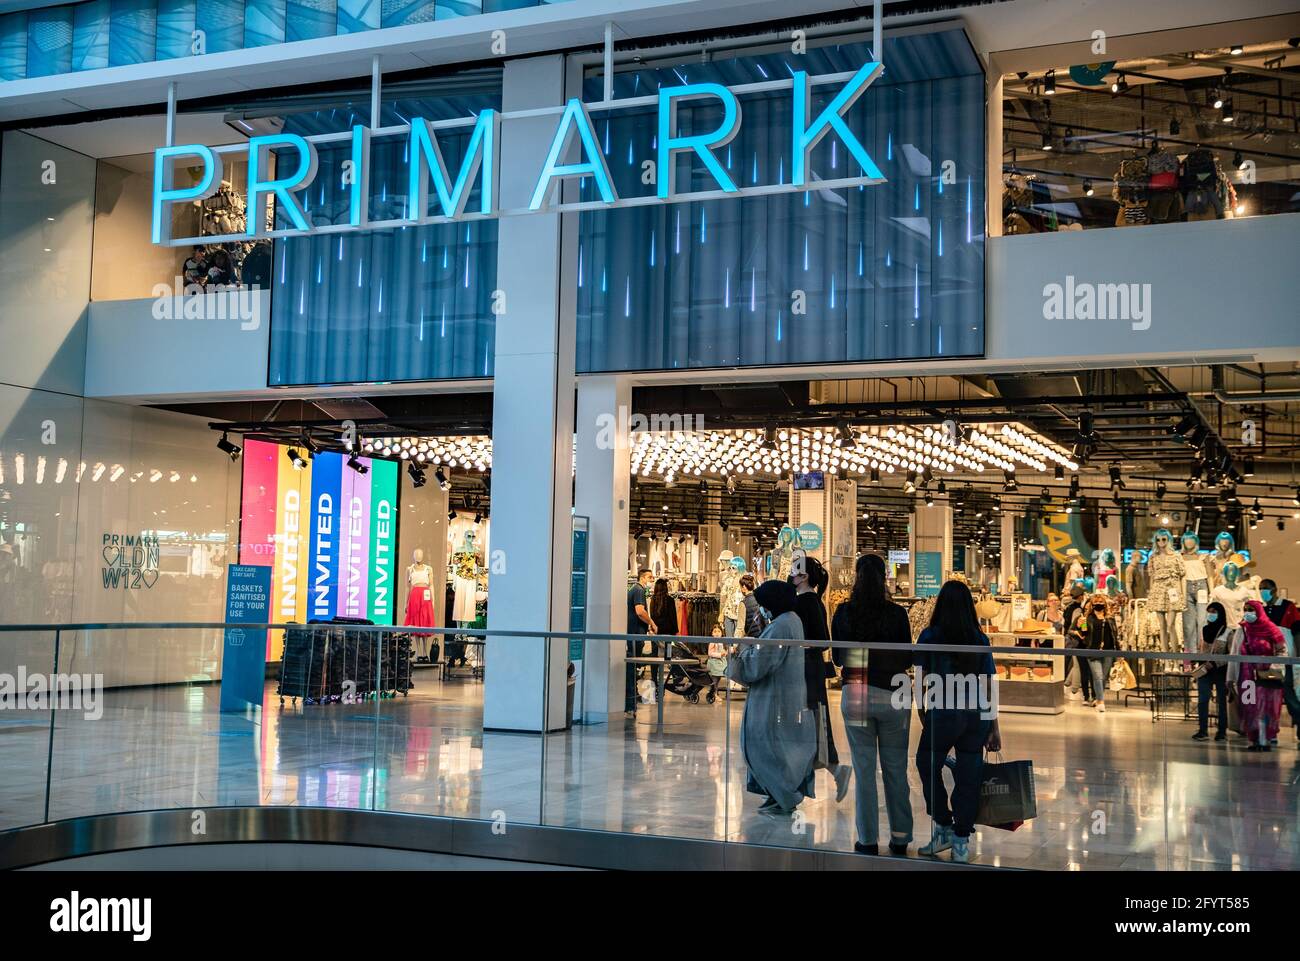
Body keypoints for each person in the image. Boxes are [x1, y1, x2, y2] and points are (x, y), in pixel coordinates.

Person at [831, 553, 914, 856]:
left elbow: (839, 658)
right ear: (884, 579)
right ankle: (901, 838)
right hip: (893, 695)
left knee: (864, 772)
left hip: (855, 693)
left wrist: (860, 658)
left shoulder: (843, 613)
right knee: (895, 770)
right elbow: (907, 658)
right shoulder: (896, 614)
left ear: (856, 577)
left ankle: (867, 840)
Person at [913, 580, 1001, 864]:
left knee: (927, 763)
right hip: (975, 715)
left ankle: (942, 824)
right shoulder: (979, 638)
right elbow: (989, 684)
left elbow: (920, 675)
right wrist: (994, 725)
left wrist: (921, 708)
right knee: (969, 774)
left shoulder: (930, 635)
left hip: (944, 711)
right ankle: (961, 840)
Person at [727, 580, 817, 817]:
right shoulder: (791, 621)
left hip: (772, 698)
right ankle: (778, 793)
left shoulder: (779, 627)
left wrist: (742, 652)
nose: (761, 610)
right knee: (779, 747)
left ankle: (783, 794)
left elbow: (758, 666)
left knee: (766, 747)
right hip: (785, 694)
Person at [791, 555, 852, 802]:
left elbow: (818, 637)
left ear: (804, 576)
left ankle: (820, 776)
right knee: (811, 724)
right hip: (809, 669)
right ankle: (806, 783)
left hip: (805, 670)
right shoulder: (813, 601)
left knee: (809, 725)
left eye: (795, 572)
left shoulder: (806, 602)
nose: (791, 576)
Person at [1236, 598, 1286, 752]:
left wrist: (1274, 666)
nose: (1248, 613)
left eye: (1251, 610)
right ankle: (1253, 739)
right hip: (1247, 677)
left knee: (1266, 708)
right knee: (1249, 707)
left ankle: (1265, 739)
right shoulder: (1242, 629)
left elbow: (1282, 650)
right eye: (1245, 610)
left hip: (1266, 676)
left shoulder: (1271, 629)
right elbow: (1235, 653)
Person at [1070, 594, 1119, 712]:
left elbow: (1114, 636)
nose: (1099, 604)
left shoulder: (1110, 619)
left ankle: (1098, 698)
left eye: (1101, 601)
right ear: (1092, 604)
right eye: (1096, 602)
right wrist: (1079, 626)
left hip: (1108, 651)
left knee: (1104, 677)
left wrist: (1118, 652)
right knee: (1098, 676)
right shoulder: (1087, 618)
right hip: (1092, 651)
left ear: (1105, 604)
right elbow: (1083, 634)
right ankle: (1101, 702)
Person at [1192, 601, 1230, 741]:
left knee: (1221, 701)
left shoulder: (1227, 632)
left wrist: (1214, 663)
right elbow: (1201, 649)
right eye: (1209, 611)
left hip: (1220, 671)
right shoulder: (1204, 630)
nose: (1211, 614)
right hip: (1204, 671)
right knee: (1202, 700)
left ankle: (1221, 731)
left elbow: (1230, 655)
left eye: (1214, 612)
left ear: (1220, 614)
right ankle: (1202, 730)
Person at [625, 569, 656, 714]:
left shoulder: (636, 590)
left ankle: (632, 697)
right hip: (635, 634)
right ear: (642, 578)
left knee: (633, 666)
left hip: (636, 633)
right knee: (632, 666)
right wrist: (651, 622)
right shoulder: (638, 590)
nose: (652, 580)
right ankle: (630, 701)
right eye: (650, 577)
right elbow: (639, 611)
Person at [705, 625, 728, 704]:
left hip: (721, 664)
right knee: (714, 680)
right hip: (714, 663)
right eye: (715, 632)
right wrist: (720, 654)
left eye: (719, 631)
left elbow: (726, 650)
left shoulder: (722, 642)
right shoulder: (713, 642)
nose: (717, 633)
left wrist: (731, 650)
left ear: (722, 633)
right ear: (712, 634)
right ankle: (714, 694)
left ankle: (714, 693)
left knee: (717, 680)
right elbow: (710, 653)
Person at [738, 573, 763, 637]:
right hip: (763, 636)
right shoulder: (761, 598)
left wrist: (735, 644)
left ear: (744, 587)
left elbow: (740, 627)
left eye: (740, 587)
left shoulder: (743, 603)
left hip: (751, 639)